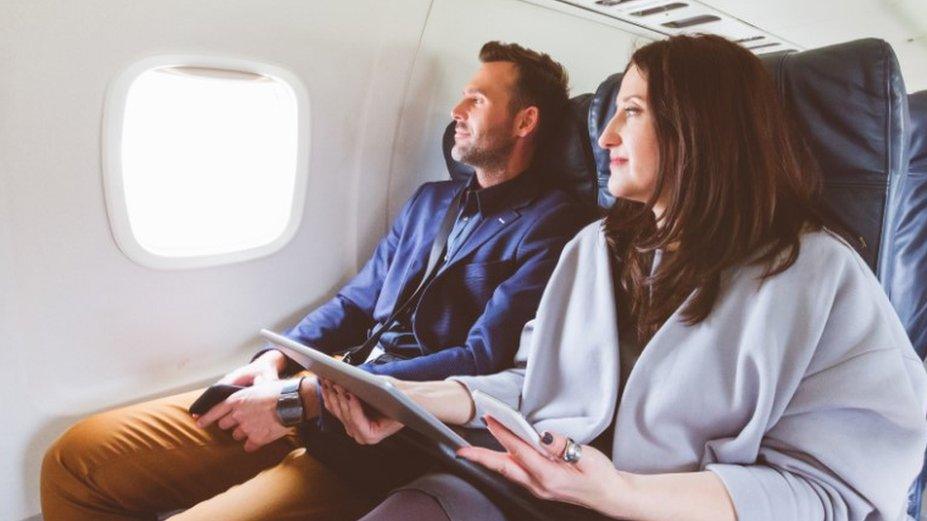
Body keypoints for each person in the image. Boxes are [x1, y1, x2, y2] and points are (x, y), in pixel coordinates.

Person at [321, 34, 927, 521]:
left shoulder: (818, 275)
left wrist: (619, 494)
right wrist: (413, 400)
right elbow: (533, 384)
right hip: (536, 488)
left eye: (631, 113)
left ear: (701, 127)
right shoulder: (597, 247)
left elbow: (829, 492)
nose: (605, 137)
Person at [40, 41, 594, 520]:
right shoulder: (433, 200)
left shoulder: (555, 225)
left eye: (477, 98)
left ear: (525, 122)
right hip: (316, 385)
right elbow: (358, 300)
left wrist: (314, 394)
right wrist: (278, 360)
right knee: (76, 461)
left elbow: (480, 358)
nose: (456, 110)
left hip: (386, 434)